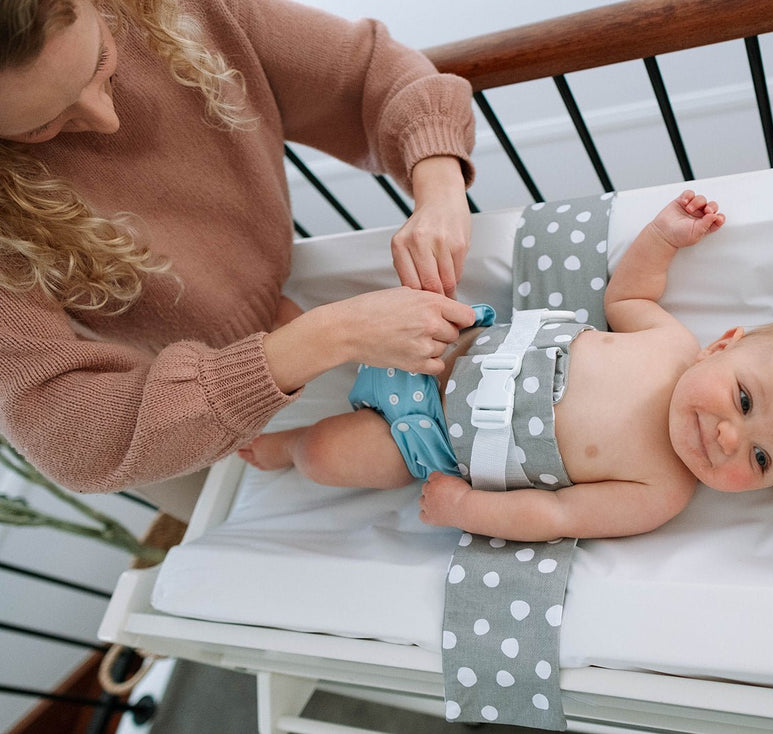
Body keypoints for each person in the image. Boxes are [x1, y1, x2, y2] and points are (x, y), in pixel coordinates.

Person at [0, 0, 480, 519]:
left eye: (101, 62)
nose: (107, 119)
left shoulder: (188, 12)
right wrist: (326, 336)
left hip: (270, 328)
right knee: (256, 498)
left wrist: (439, 188)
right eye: (39, 127)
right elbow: (66, 433)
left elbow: (372, 71)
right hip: (156, 418)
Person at [239, 191, 773, 541]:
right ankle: (307, 337)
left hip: (428, 440)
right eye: (746, 402)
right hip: (450, 345)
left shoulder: (658, 495)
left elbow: (554, 518)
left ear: (767, 490)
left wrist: (467, 507)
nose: (729, 437)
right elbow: (629, 292)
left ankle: (287, 447)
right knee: (385, 314)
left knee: (335, 455)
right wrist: (664, 237)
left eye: (759, 460)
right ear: (723, 345)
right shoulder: (666, 341)